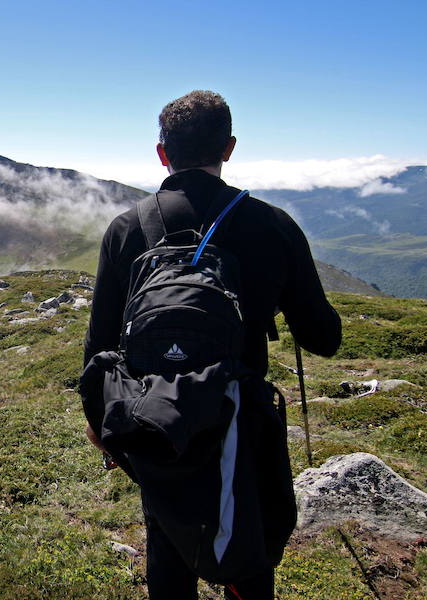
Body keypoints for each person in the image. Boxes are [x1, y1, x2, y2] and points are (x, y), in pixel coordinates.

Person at [82, 90, 342, 599]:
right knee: (245, 539)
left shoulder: (126, 228)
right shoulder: (272, 224)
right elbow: (323, 340)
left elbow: (99, 347)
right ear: (229, 147)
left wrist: (100, 424)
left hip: (154, 420)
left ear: (162, 153)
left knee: (167, 541)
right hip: (240, 418)